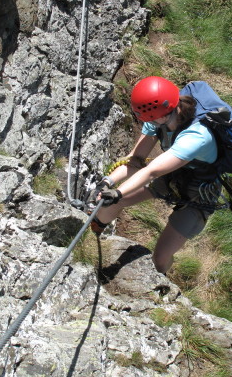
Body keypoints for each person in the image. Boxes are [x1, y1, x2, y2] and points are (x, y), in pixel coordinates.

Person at [90, 76, 223, 274]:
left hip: (200, 192)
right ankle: (92, 233)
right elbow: (136, 161)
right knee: (113, 201)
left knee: (160, 259)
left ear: (161, 114)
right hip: (174, 176)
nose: (147, 122)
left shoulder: (197, 136)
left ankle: (162, 281)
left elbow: (151, 171)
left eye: (148, 118)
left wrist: (117, 192)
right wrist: (108, 182)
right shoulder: (159, 117)